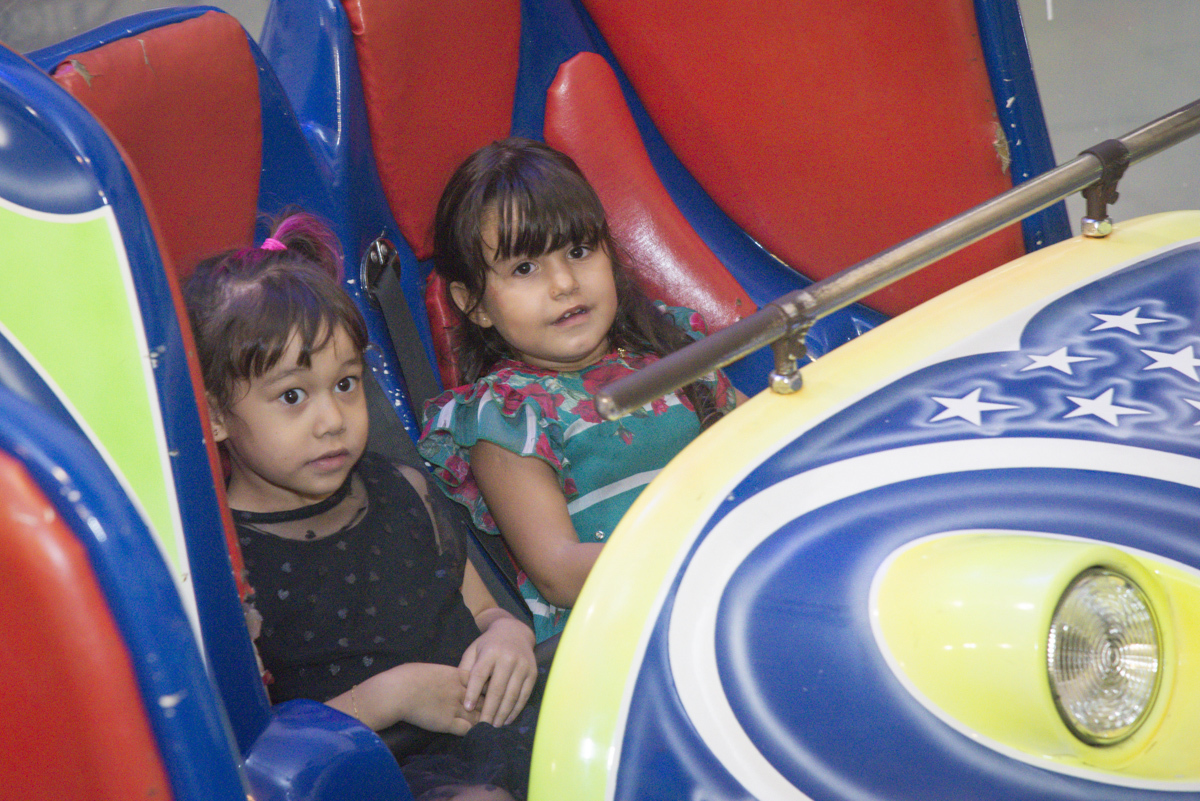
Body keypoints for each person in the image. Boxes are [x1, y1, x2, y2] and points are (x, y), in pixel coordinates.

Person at [184, 212, 539, 801]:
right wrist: (386, 698)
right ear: (216, 415)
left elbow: (487, 613)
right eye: (293, 396)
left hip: (492, 738)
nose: (332, 421)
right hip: (367, 777)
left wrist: (509, 637)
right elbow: (244, 748)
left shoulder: (403, 489)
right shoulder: (224, 564)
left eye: (346, 384)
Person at [418, 139, 744, 643]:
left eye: (578, 251)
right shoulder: (507, 415)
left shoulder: (673, 349)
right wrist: (700, 550)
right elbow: (560, 571)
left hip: (737, 582)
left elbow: (766, 440)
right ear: (473, 303)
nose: (564, 282)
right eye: (525, 268)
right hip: (623, 634)